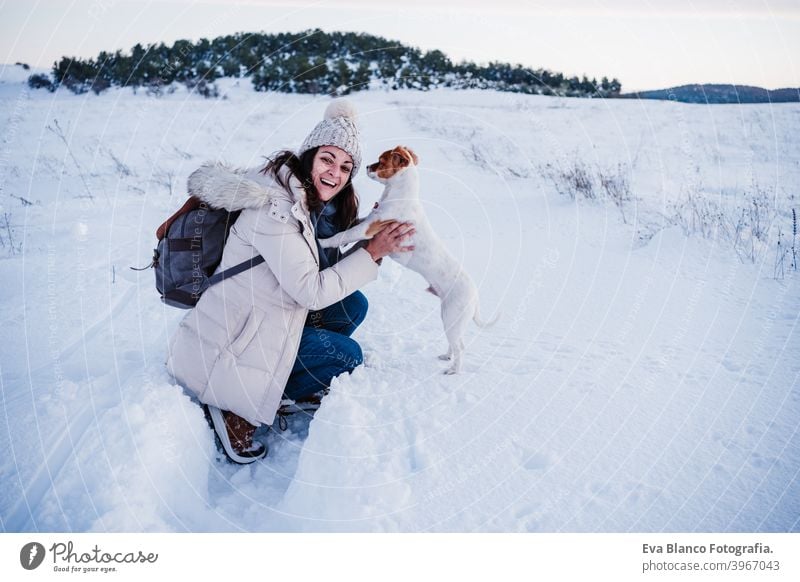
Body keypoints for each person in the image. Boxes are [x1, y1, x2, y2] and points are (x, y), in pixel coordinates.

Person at [166, 99, 414, 464]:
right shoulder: (275, 208)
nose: (336, 172)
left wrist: (367, 237)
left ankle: (281, 378)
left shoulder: (310, 203)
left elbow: (320, 266)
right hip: (230, 345)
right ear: (309, 155)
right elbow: (311, 290)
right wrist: (372, 253)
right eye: (328, 159)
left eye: (346, 167)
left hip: (261, 319)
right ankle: (236, 407)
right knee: (348, 355)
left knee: (353, 305)